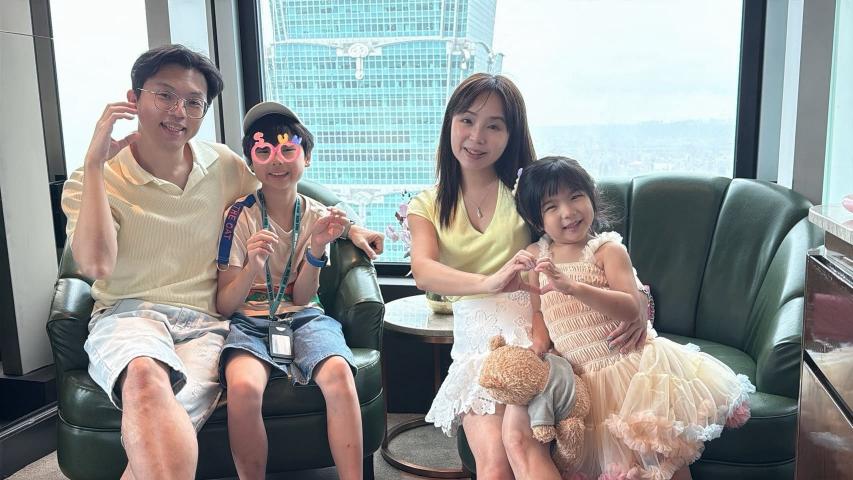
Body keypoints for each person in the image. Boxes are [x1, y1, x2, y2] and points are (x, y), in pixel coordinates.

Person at [61, 44, 382, 480]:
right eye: (164, 95)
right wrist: (96, 166)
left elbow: (287, 191)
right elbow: (96, 265)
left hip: (207, 323)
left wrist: (352, 228)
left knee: (163, 422)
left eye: (193, 102)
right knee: (144, 380)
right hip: (129, 315)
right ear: (134, 99)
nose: (178, 111)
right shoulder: (92, 178)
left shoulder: (221, 164)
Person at [407, 73, 648, 479]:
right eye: (467, 120)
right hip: (479, 342)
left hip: (540, 332)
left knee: (525, 447)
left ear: (511, 135)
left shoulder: (525, 193)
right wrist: (487, 282)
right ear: (450, 122)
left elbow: (581, 244)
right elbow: (423, 272)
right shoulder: (427, 204)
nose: (476, 137)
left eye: (494, 126)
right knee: (494, 463)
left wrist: (638, 300)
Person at [514, 156, 755, 479]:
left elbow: (631, 307)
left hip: (631, 369)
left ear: (591, 197)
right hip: (585, 380)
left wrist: (573, 287)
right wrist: (540, 347)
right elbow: (539, 312)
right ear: (536, 219)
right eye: (551, 206)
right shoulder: (536, 257)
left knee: (663, 456)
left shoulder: (607, 251)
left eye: (575, 197)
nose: (568, 212)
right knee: (620, 469)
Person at [215, 102, 364, 480]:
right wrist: (252, 267)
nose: (277, 160)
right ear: (251, 161)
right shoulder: (238, 216)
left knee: (339, 375)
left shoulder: (316, 216)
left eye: (288, 149)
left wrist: (316, 250)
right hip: (248, 322)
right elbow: (225, 304)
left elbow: (301, 298)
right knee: (243, 388)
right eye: (264, 151)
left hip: (305, 317)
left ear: (306, 157)